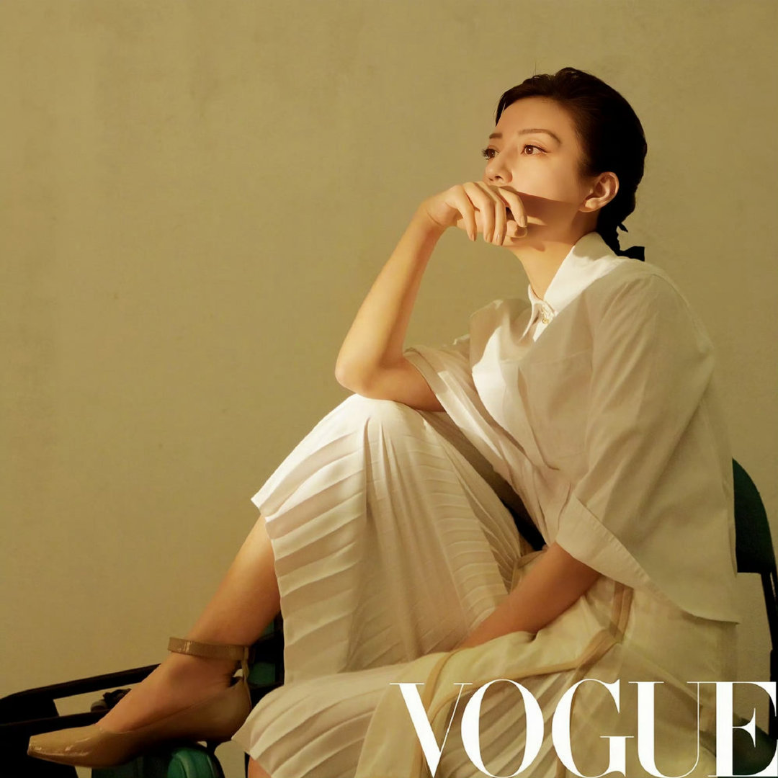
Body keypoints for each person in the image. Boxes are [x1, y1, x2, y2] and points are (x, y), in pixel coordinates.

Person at [27, 66, 740, 777]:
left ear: (598, 190)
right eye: (493, 150)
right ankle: (205, 663)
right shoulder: (512, 332)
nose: (498, 168)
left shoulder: (636, 298)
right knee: (376, 419)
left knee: (290, 726)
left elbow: (593, 538)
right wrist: (426, 224)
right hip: (556, 617)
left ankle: (204, 671)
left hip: (631, 652)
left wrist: (451, 669)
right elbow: (364, 372)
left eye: (532, 149)